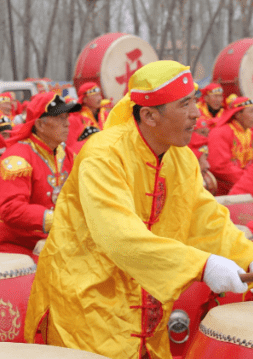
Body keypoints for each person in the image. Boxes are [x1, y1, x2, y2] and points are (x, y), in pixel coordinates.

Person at [25, 61, 253, 359]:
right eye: (184, 105)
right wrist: (203, 266)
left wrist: (248, 258)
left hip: (148, 309)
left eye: (194, 103)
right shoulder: (103, 156)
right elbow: (119, 236)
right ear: (149, 115)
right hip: (89, 306)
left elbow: (207, 222)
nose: (196, 113)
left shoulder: (181, 160)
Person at [0, 92, 80, 255]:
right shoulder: (18, 157)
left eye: (66, 117)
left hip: (46, 239)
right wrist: (60, 219)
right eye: (60, 118)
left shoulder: (65, 154)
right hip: (10, 243)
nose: (67, 124)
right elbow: (12, 209)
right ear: (40, 125)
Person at [207, 96, 253, 195]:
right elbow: (219, 166)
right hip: (226, 192)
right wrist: (247, 179)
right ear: (238, 114)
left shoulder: (250, 132)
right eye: (251, 112)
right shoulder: (220, 133)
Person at [66, 82, 107, 153]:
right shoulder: (75, 118)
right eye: (95, 96)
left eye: (99, 95)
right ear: (84, 99)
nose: (99, 98)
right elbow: (70, 147)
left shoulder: (106, 115)